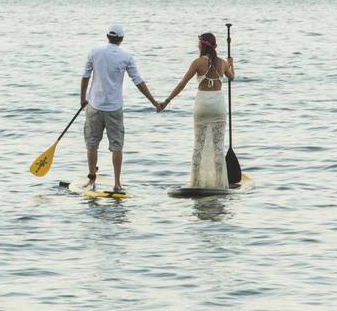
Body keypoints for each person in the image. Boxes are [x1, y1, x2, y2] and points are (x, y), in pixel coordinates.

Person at [80, 24, 162, 193]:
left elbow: (85, 77)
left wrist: (83, 99)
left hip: (94, 105)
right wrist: (154, 102)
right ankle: (117, 184)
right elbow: (138, 81)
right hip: (114, 108)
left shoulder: (94, 52)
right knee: (117, 146)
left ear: (107, 36)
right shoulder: (126, 56)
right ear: (121, 39)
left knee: (92, 144)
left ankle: (92, 181)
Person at [158, 32, 236, 188]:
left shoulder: (197, 62)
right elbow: (232, 77)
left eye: (198, 43)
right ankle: (220, 184)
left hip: (202, 105)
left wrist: (167, 101)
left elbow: (182, 84)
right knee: (218, 148)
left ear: (202, 45)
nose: (197, 45)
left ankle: (195, 183)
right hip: (218, 106)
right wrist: (231, 64)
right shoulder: (222, 63)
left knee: (198, 146)